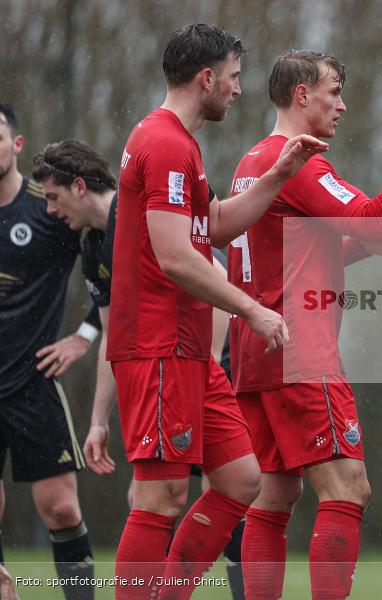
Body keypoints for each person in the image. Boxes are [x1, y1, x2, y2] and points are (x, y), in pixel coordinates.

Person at [107, 24, 327, 599]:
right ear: (206, 78)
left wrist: (278, 177)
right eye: (232, 78)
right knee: (161, 497)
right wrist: (252, 309)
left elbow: (215, 227)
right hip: (157, 345)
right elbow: (177, 257)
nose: (236, 90)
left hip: (186, 348)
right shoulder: (166, 143)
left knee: (241, 479)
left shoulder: (179, 143)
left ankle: (169, 592)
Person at [226, 50, 382, 600]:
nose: (343, 105)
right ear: (301, 95)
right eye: (333, 92)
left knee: (273, 496)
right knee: (348, 488)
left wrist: (358, 248)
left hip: (255, 353)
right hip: (301, 350)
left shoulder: (254, 158)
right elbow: (374, 217)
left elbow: (292, 256)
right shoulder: (298, 161)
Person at [34, 139, 247, 600]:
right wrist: (96, 421)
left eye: (53, 198)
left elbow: (216, 276)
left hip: (196, 362)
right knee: (161, 498)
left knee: (234, 485)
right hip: (167, 370)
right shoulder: (94, 245)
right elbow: (114, 334)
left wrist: (203, 369)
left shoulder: (133, 215)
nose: (50, 211)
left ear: (77, 185)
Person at [0, 103, 96, 600]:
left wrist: (85, 335)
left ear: (16, 144)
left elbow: (115, 262)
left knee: (61, 509)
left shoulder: (50, 208)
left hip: (33, 382)